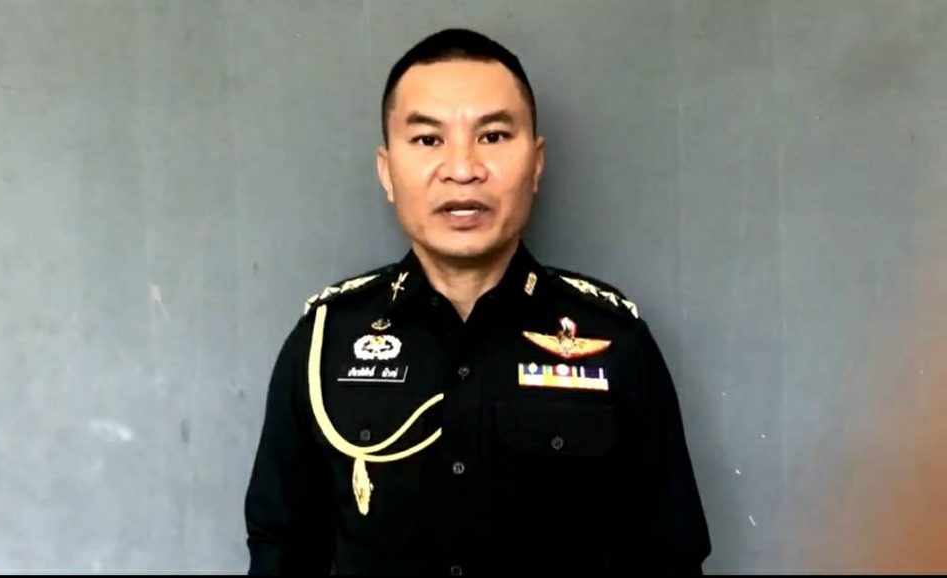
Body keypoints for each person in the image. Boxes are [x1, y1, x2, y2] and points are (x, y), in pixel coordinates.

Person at [244, 28, 711, 575]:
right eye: (428, 140)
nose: (462, 168)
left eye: (492, 136)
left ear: (536, 164)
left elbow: (668, 556)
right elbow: (280, 549)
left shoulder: (613, 344)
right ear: (387, 171)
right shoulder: (326, 343)